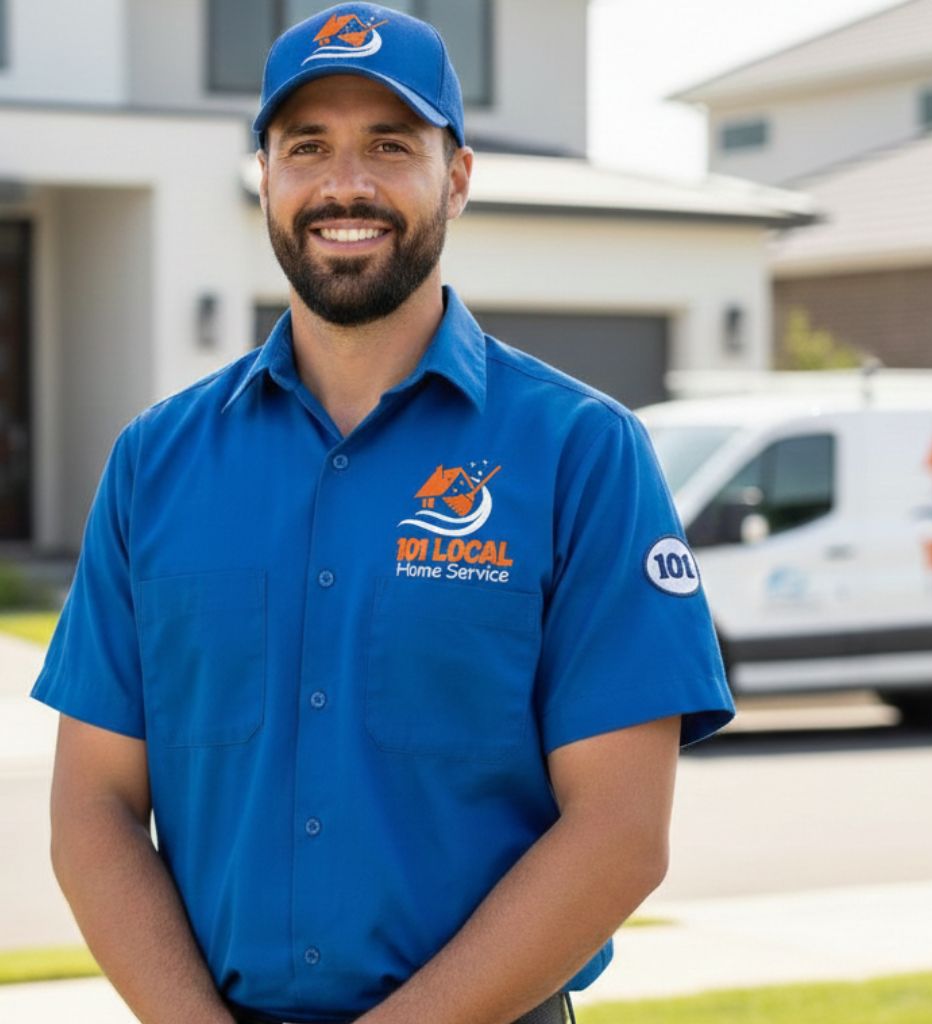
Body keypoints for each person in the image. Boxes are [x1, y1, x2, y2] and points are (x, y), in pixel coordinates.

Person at [31, 4, 735, 1023]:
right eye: (306, 147)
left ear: (456, 176)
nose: (344, 184)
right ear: (264, 176)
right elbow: (92, 807)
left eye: (389, 146)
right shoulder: (155, 462)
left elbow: (620, 831)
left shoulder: (582, 454)